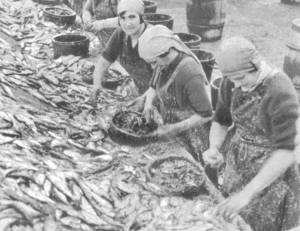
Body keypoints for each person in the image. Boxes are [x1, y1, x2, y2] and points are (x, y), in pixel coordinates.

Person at [202, 36, 300, 231]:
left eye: (241, 78)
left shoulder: (279, 90)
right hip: (239, 162)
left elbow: (287, 151)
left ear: (255, 65)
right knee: (232, 216)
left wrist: (247, 194)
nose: (237, 85)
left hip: (271, 173)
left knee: (261, 223)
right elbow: (221, 120)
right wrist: (214, 147)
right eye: (232, 79)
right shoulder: (230, 82)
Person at [137, 25, 217, 183]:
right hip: (172, 122)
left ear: (166, 52)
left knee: (195, 174)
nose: (153, 67)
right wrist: (148, 105)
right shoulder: (162, 62)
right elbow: (153, 86)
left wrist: (173, 128)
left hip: (194, 131)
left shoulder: (189, 72)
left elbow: (206, 115)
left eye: (153, 62)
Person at [89, 0, 153, 102]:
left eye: (132, 17)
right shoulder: (121, 33)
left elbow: (163, 82)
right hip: (139, 89)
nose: (127, 24)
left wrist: (145, 100)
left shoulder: (152, 38)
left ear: (141, 17)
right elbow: (103, 63)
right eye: (122, 18)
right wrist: (97, 85)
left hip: (159, 94)